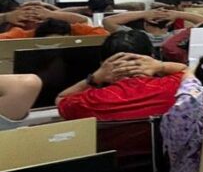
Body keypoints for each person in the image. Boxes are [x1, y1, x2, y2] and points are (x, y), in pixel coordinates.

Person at [55, 30, 188, 121]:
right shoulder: (177, 87)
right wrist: (161, 66)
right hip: (165, 155)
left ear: (103, 64)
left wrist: (94, 78)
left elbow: (61, 99)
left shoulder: (89, 101)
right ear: (152, 57)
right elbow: (189, 71)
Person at [104, 7, 203, 48]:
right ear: (169, 24)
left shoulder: (136, 37)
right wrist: (177, 14)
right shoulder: (180, 36)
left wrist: (144, 13)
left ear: (145, 24)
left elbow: (107, 21)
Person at [0, 1, 105, 40]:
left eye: (37, 13)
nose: (33, 15)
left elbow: (85, 20)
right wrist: (5, 17)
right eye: (26, 14)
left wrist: (52, 14)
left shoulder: (65, 29)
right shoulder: (17, 34)